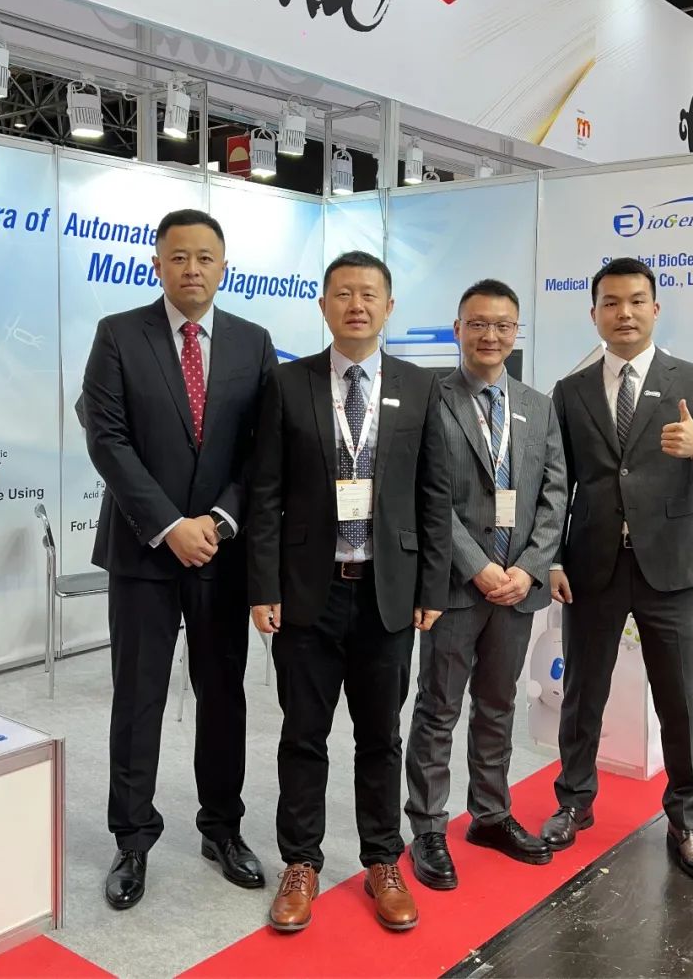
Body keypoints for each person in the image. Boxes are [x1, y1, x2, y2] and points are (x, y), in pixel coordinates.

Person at [248, 250, 451, 933]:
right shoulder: (288, 382)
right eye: (342, 293)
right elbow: (266, 492)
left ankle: (382, 859)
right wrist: (262, 585)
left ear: (389, 306)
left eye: (368, 294)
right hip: (308, 592)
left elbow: (434, 494)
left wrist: (432, 584)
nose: (356, 305)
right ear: (324, 305)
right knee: (303, 733)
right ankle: (300, 862)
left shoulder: (421, 387)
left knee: (380, 736)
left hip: (386, 594)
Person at [83, 208, 277, 909]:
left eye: (204, 257)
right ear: (157, 264)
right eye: (179, 256)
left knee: (223, 695)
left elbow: (261, 448)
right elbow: (106, 437)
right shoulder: (118, 334)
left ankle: (221, 827)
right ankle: (132, 839)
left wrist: (219, 520)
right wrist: (168, 524)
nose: (192, 268)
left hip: (222, 555)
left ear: (223, 267)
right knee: (138, 696)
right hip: (144, 551)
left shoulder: (253, 342)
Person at [544, 257, 693, 884]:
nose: (624, 313)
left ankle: (686, 820)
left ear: (655, 309)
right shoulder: (570, 390)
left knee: (680, 699)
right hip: (592, 565)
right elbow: (555, 482)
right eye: (611, 303)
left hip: (671, 565)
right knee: (582, 693)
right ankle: (574, 801)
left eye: (636, 301)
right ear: (595, 314)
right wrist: (553, 556)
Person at [404, 279, 567, 890]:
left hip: (517, 587)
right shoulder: (430, 398)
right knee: (438, 708)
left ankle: (491, 815)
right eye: (478, 324)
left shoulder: (538, 405)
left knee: (499, 705)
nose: (490, 335)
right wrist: (477, 564)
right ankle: (427, 827)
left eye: (502, 325)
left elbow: (554, 494)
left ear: (516, 332)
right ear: (458, 329)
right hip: (454, 584)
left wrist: (527, 568)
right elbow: (426, 495)